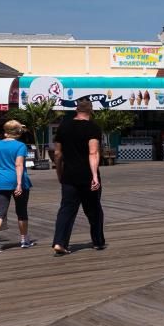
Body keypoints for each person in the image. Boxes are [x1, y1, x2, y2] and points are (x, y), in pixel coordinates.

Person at [51, 97, 105, 255]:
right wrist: (94, 175)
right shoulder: (93, 128)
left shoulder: (63, 127)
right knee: (94, 210)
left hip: (69, 175)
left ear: (76, 109)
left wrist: (59, 173)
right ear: (91, 110)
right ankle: (98, 242)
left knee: (66, 210)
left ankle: (60, 242)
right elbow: (93, 152)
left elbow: (57, 153)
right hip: (87, 175)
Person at [0, 120, 34, 252]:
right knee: (21, 211)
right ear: (18, 132)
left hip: (0, 180)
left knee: (0, 211)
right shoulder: (20, 146)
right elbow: (18, 164)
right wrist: (18, 184)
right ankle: (24, 240)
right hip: (19, 181)